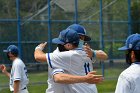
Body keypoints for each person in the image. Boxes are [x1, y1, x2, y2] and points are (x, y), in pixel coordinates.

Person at [34, 29, 103, 93]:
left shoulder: (68, 55)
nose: (60, 45)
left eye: (61, 43)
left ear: (69, 45)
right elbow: (103, 55)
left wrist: (38, 48)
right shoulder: (87, 51)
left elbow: (38, 57)